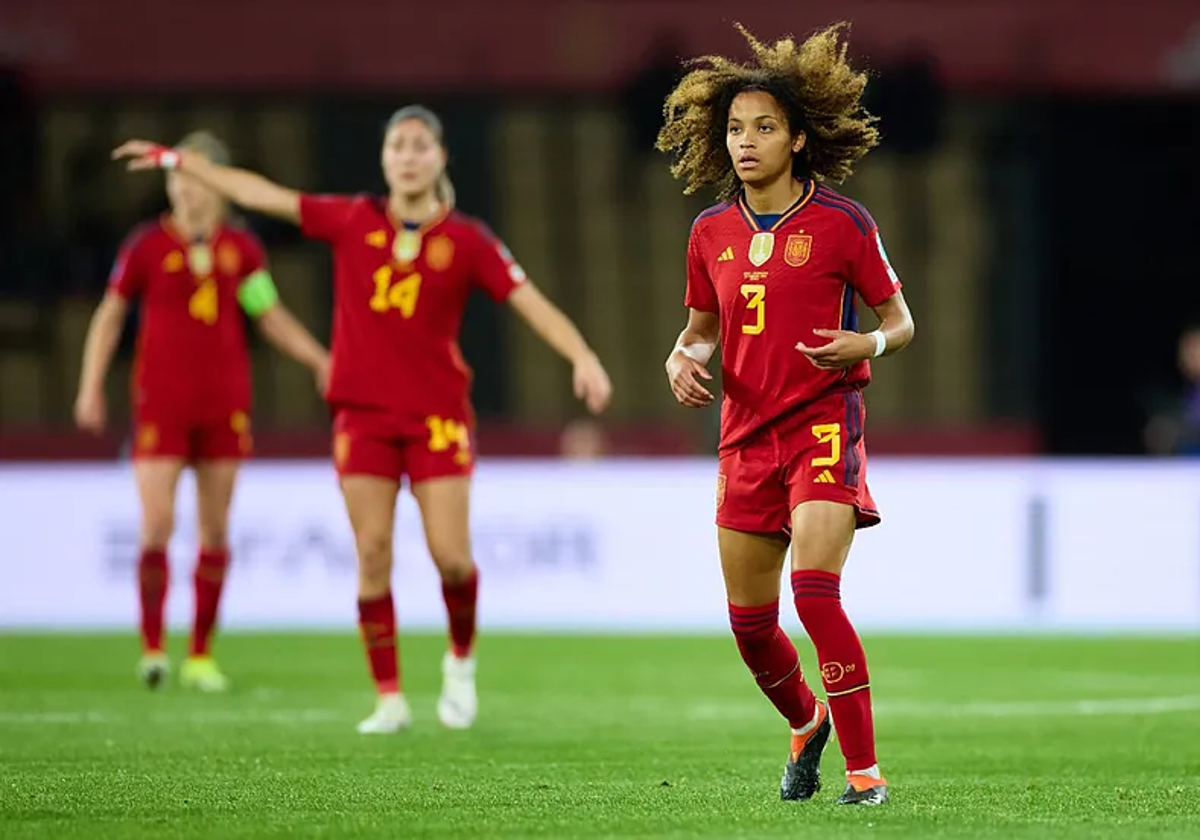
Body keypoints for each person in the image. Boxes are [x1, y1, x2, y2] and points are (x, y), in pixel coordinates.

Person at [112, 106, 614, 733]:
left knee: (451, 559)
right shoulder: (351, 219)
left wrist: (581, 354)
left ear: (439, 158)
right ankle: (390, 698)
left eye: (419, 145)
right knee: (372, 552)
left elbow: (529, 301)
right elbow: (265, 195)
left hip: (436, 417)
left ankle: (460, 661)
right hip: (362, 416)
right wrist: (182, 161)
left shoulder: (467, 240)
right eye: (397, 145)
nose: (407, 155)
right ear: (384, 160)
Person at [658, 24, 915, 806]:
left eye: (764, 127)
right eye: (735, 129)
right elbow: (701, 332)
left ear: (799, 138)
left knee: (815, 593)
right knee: (749, 626)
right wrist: (681, 358)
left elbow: (901, 321)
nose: (746, 142)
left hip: (823, 427)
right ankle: (806, 723)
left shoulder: (843, 222)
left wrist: (865, 341)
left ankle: (866, 776)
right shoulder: (709, 233)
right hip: (744, 440)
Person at [77, 131, 330, 692]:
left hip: (223, 406)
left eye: (194, 180)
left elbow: (269, 315)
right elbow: (110, 315)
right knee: (157, 525)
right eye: (176, 181)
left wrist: (319, 359)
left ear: (217, 185)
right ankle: (151, 648)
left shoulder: (240, 251)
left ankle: (199, 654)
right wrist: (90, 384)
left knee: (215, 531)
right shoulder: (145, 246)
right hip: (161, 406)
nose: (185, 192)